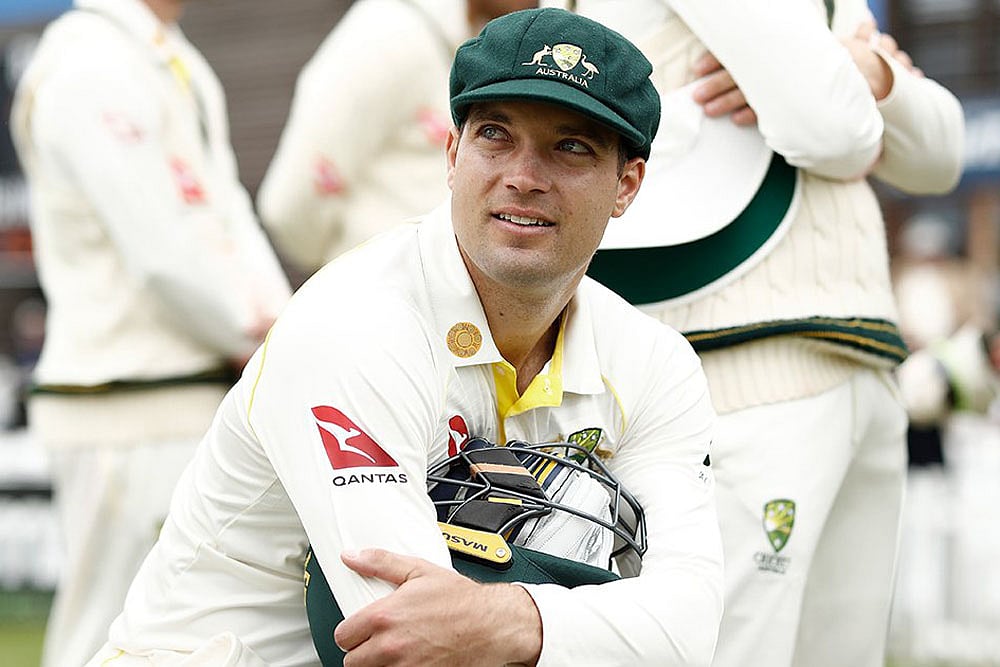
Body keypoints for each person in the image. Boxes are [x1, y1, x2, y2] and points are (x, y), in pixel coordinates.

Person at [86, 7, 724, 666]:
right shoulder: (354, 323)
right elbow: (404, 640)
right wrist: (587, 626)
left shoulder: (654, 362)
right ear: (452, 155)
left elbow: (689, 628)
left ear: (627, 184)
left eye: (570, 147)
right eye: (496, 136)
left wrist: (511, 617)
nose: (524, 176)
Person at [544, 1, 966, 666]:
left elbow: (940, 155)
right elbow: (837, 132)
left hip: (860, 363)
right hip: (733, 376)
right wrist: (836, 83)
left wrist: (866, 70)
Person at [10, 0, 292, 664]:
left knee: (184, 633)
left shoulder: (167, 54)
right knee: (106, 633)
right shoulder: (88, 60)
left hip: (185, 388)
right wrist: (262, 338)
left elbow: (224, 211)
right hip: (128, 402)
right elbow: (162, 247)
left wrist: (278, 332)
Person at [257, 0, 537, 280]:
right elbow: (290, 203)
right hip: (376, 294)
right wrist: (345, 275)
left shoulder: (481, 36)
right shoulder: (386, 33)